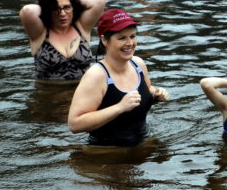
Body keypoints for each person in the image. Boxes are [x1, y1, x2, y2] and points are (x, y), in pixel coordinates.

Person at [67, 9, 170, 147]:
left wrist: (156, 94)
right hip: (107, 152)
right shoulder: (96, 75)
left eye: (132, 36)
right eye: (121, 38)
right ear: (104, 40)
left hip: (143, 143)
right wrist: (120, 107)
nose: (130, 43)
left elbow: (148, 89)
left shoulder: (138, 64)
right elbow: (75, 124)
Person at [19, 0, 106, 81]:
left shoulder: (81, 26)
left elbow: (99, 0)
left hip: (82, 87)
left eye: (67, 7)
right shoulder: (40, 33)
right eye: (55, 8)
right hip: (48, 89)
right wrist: (47, 4)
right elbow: (27, 10)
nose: (62, 13)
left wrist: (73, 2)